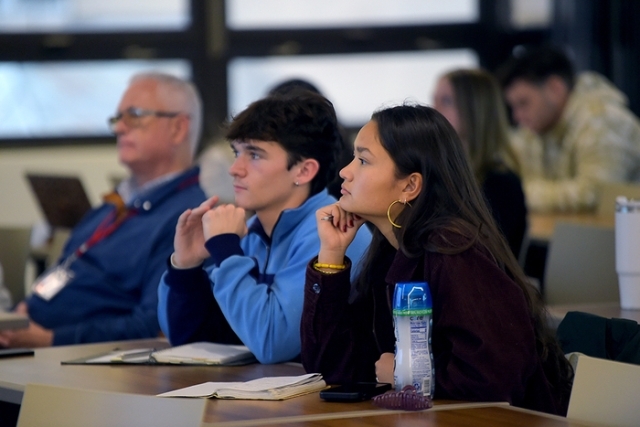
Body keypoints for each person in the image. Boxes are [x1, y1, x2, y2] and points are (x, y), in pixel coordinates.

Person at [300, 104, 573, 415]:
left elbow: (495, 377)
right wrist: (332, 256)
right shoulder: (388, 251)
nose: (344, 171)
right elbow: (334, 369)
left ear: (410, 186)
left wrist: (406, 375)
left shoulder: (454, 251)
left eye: (363, 160)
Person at [157, 92, 372, 364]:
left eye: (254, 155)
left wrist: (226, 250)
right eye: (237, 152)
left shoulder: (335, 232)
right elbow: (191, 339)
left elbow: (273, 343)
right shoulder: (254, 234)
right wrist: (185, 268)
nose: (235, 169)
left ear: (303, 171)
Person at [0, 72, 207, 348]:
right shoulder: (115, 205)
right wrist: (21, 315)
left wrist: (50, 339)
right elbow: (64, 271)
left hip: (72, 359)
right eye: (118, 118)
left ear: (178, 128)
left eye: (134, 115)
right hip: (28, 342)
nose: (120, 128)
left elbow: (153, 324)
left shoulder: (186, 218)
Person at [497, 44, 640, 212]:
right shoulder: (537, 127)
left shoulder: (603, 120)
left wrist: (517, 193)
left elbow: (596, 196)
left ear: (555, 88)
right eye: (513, 107)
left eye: (524, 103)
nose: (517, 116)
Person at [433, 68, 527, 256]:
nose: (433, 110)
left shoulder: (501, 184)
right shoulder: (440, 173)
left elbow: (481, 255)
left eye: (446, 101)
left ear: (475, 109)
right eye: (434, 100)